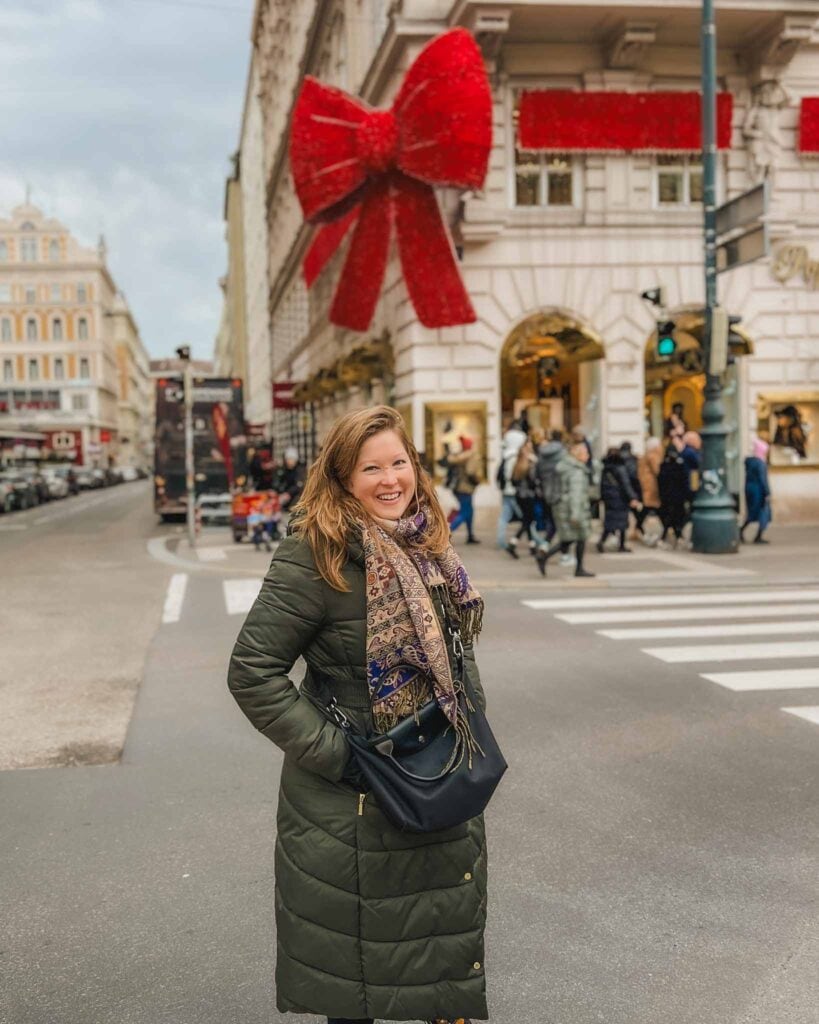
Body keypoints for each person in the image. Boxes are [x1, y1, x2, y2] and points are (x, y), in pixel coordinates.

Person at [228, 405, 489, 1024]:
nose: (390, 479)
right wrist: (343, 758)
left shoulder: (428, 544)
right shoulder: (315, 555)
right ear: (343, 478)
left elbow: (455, 656)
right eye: (371, 468)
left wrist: (471, 737)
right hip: (353, 806)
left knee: (440, 953)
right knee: (356, 978)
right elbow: (252, 673)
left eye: (399, 462)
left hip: (435, 780)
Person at [535, 440, 595, 578]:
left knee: (571, 538)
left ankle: (545, 557)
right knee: (579, 537)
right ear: (578, 455)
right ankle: (578, 568)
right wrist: (575, 514)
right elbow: (575, 494)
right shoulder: (576, 471)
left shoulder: (566, 465)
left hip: (562, 506)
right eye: (585, 453)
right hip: (571, 508)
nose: (588, 456)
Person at [597, 447, 640, 553]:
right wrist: (633, 497)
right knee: (622, 523)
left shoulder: (605, 468)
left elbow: (602, 486)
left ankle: (602, 541)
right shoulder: (620, 468)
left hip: (609, 499)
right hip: (620, 498)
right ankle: (621, 545)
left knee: (610, 522)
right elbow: (626, 485)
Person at [505, 433, 539, 558]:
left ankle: (532, 545)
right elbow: (533, 481)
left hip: (519, 496)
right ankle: (512, 544)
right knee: (527, 521)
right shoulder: (530, 463)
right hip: (528, 496)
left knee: (527, 520)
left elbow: (513, 481)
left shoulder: (518, 463)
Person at [496, 418, 527, 548]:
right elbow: (513, 475)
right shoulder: (515, 456)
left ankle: (501, 541)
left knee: (505, 516)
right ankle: (537, 541)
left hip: (506, 490)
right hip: (514, 490)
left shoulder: (506, 452)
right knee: (527, 518)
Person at [448, 435, 481, 544]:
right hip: (465, 488)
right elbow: (471, 471)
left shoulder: (460, 456)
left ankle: (470, 535)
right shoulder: (470, 456)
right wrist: (478, 478)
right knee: (465, 512)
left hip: (459, 487)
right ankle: (446, 534)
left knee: (469, 512)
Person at [658, 437, 690, 547]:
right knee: (675, 517)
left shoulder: (664, 465)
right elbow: (685, 481)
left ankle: (673, 536)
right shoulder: (679, 465)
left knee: (670, 518)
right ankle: (677, 536)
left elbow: (660, 482)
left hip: (668, 497)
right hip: (677, 497)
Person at [535, 428, 564, 545]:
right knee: (559, 523)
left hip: (545, 489)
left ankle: (545, 545)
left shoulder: (542, 452)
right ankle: (556, 550)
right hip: (559, 490)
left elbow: (538, 471)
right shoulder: (563, 452)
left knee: (551, 521)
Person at [741, 438, 772, 544]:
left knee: (752, 513)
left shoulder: (750, 462)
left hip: (750, 489)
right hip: (758, 491)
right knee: (764, 513)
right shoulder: (760, 463)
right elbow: (763, 479)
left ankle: (740, 531)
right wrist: (767, 492)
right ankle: (758, 536)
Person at [636, 437, 663, 540]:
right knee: (654, 507)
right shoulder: (653, 456)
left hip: (645, 484)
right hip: (652, 485)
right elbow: (657, 470)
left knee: (648, 507)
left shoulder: (645, 455)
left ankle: (638, 527)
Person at [275, 446, 306, 512]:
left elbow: (299, 485)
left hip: (297, 499)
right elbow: (280, 482)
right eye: (287, 459)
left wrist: (288, 493)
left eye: (291, 459)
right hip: (286, 499)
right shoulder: (285, 470)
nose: (288, 461)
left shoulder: (300, 470)